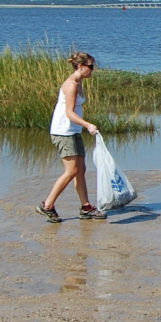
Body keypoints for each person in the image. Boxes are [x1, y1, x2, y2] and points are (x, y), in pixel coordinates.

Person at [37, 52, 105, 223]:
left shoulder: (79, 83)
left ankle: (86, 207)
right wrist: (88, 125)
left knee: (80, 170)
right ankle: (47, 205)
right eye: (90, 67)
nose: (92, 70)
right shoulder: (71, 85)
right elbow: (69, 113)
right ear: (80, 67)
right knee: (71, 171)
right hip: (63, 132)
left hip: (73, 132)